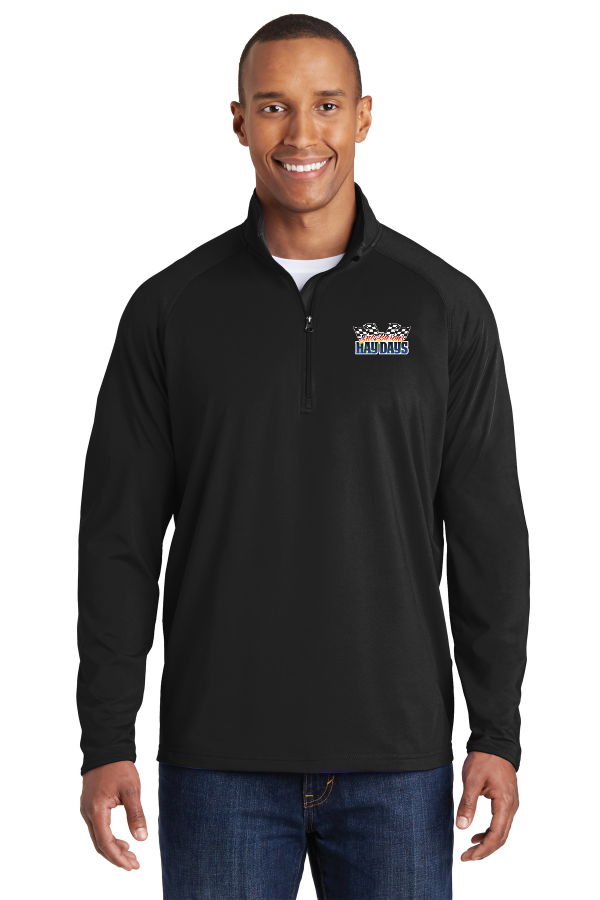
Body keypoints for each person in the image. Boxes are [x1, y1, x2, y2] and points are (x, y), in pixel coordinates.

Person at [77, 14, 530, 899]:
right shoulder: (170, 310)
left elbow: (490, 537)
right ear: (239, 120)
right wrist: (106, 739)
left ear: (363, 116)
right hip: (218, 763)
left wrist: (497, 732)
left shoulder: (443, 308)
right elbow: (117, 540)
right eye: (273, 106)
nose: (301, 134)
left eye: (325, 104)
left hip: (398, 762)